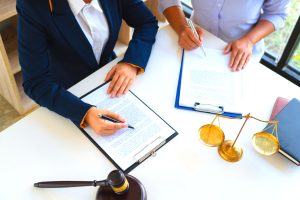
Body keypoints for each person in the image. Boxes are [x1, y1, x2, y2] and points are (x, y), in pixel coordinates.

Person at [17, 0, 158, 135]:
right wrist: (85, 113)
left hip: (108, 79)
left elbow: (146, 22)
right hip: (67, 94)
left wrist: (131, 62)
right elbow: (35, 82)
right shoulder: (32, 5)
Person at [159, 0, 289, 71]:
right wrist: (182, 27)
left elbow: (277, 14)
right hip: (193, 44)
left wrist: (249, 40)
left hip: (239, 55)